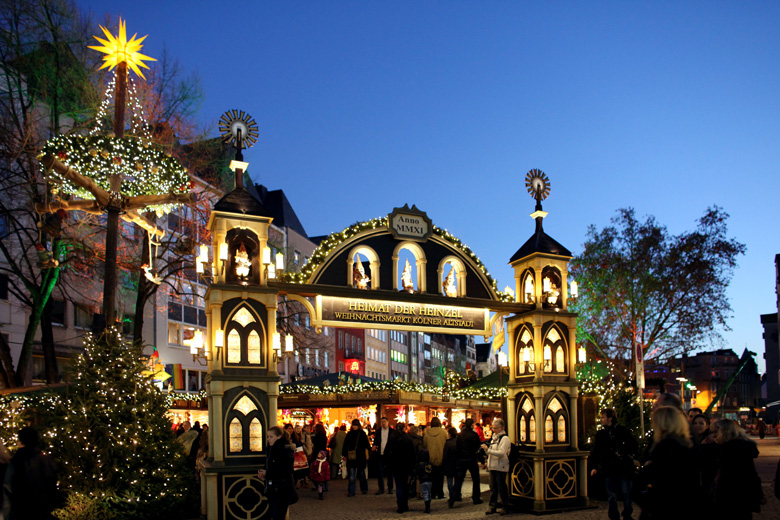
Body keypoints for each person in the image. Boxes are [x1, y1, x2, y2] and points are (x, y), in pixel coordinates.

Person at [639, 406, 698, 520]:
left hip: (665, 502)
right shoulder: (686, 444)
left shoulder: (666, 445)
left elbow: (659, 472)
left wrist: (646, 469)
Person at [710, 419, 763, 520]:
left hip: (735, 496)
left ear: (724, 432)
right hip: (737, 496)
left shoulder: (733, 450)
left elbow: (750, 474)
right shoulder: (729, 448)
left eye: (716, 432)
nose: (713, 435)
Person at [589, 408, 637, 520]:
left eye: (602, 417)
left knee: (626, 493)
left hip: (623, 467)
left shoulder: (622, 431)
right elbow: (597, 451)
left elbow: (632, 445)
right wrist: (594, 466)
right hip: (609, 468)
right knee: (612, 495)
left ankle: (627, 514)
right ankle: (614, 515)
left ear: (610, 418)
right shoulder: (601, 434)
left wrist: (624, 452)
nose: (601, 420)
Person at [3, 427, 59, 520]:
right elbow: (52, 484)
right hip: (42, 512)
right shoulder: (46, 460)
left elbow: (8, 489)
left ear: (21, 442)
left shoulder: (16, 462)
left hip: (22, 512)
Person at [258, 426, 297, 520]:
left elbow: (285, 471)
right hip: (274, 489)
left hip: (282, 490)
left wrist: (267, 474)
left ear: (279, 436)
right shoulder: (271, 449)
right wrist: (265, 473)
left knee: (278, 515)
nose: (268, 439)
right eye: (268, 437)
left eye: (271, 437)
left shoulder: (284, 450)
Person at [450, 418, 483, 507]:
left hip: (461, 459)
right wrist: (481, 460)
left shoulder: (460, 435)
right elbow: (477, 448)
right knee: (475, 479)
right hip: (471, 459)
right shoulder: (474, 435)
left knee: (459, 479)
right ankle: (476, 498)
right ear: (472, 425)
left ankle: (453, 498)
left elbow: (457, 447)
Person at [484, 418, 510, 516]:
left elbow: (502, 453)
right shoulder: (494, 438)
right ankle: (492, 506)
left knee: (501, 487)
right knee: (493, 487)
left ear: (501, 428)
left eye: (495, 428)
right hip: (492, 466)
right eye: (493, 428)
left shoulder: (505, 439)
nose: (493, 430)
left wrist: (488, 450)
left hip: (501, 466)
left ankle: (505, 506)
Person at [391, 422, 417, 514]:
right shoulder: (408, 438)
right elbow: (412, 453)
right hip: (406, 465)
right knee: (405, 485)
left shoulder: (392, 438)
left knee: (399, 486)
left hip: (396, 465)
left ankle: (400, 506)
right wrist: (412, 466)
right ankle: (405, 505)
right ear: (404, 429)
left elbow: (388, 451)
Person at [344, 419, 370, 497]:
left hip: (355, 456)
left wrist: (344, 454)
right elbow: (366, 444)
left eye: (355, 425)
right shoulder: (361, 434)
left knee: (358, 474)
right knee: (356, 474)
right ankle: (358, 490)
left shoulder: (353, 434)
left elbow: (346, 445)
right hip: (358, 456)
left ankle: (355, 490)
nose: (354, 427)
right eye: (353, 425)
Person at [423, 417, 447, 499]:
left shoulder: (427, 433)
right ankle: (440, 493)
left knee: (432, 477)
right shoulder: (444, 432)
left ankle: (433, 493)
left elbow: (424, 445)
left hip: (431, 458)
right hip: (441, 457)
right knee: (440, 477)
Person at [373, 417, 396, 495]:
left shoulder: (392, 432)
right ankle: (381, 488)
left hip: (389, 454)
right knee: (380, 472)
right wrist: (374, 446)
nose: (383, 423)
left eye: (384, 421)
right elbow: (376, 441)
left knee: (390, 472)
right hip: (380, 454)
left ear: (388, 422)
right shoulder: (378, 432)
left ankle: (390, 488)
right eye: (382, 422)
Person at [442, 427, 458, 504]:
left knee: (449, 480)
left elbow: (445, 455)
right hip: (457, 463)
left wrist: (443, 462)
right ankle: (457, 494)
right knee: (457, 480)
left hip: (449, 464)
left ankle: (452, 495)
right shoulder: (458, 442)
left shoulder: (448, 443)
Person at [416, 449, 434, 514]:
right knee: (429, 493)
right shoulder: (430, 464)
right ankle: (428, 505)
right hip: (430, 480)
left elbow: (418, 472)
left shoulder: (420, 464)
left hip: (423, 480)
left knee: (425, 493)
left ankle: (427, 507)